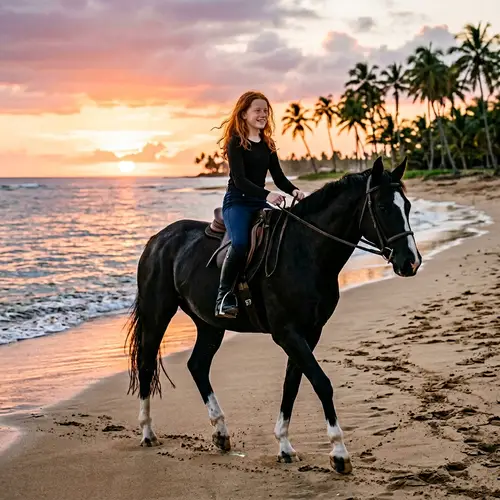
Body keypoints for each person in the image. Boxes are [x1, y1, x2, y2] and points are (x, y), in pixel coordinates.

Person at [214, 90, 306, 319]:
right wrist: (266, 196)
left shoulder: (267, 143)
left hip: (259, 202)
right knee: (241, 243)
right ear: (244, 114)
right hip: (237, 203)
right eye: (257, 110)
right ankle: (223, 297)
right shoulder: (236, 142)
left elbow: (278, 177)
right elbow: (239, 180)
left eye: (265, 111)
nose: (262, 114)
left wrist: (294, 190)